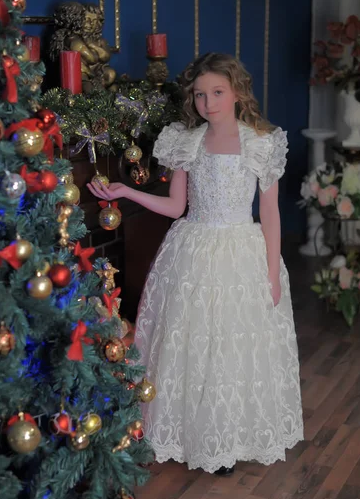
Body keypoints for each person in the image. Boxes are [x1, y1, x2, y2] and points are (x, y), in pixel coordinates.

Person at [88, 52, 304, 476]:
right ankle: (187, 430)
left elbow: (271, 214)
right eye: (201, 95)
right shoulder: (183, 141)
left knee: (233, 344)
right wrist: (128, 193)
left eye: (218, 92)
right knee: (188, 343)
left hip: (242, 249)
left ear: (238, 91)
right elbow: (174, 206)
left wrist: (271, 271)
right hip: (192, 248)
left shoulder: (261, 142)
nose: (209, 103)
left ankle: (227, 434)